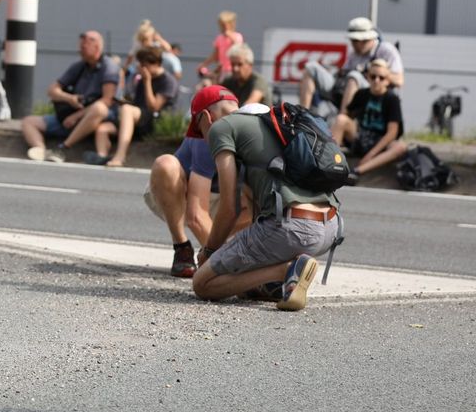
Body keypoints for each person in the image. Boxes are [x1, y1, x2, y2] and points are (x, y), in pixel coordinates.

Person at [190, 88, 341, 312]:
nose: (204, 139)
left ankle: (286, 270)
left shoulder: (221, 128)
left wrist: (210, 252)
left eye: (199, 131)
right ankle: (279, 281)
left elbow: (229, 207)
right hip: (330, 226)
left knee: (203, 284)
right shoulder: (277, 125)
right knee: (242, 279)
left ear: (205, 117)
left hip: (292, 228)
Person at [145, 86, 255, 278]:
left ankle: (228, 248)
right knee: (166, 165)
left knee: (256, 197)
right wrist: (226, 262)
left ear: (206, 117)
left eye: (197, 124)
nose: (198, 131)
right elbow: (195, 216)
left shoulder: (218, 129)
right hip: (179, 197)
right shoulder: (212, 139)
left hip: (221, 200)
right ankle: (182, 247)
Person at [20, 30, 119, 163]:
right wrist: (69, 99)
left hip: (98, 117)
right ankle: (42, 150)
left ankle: (64, 147)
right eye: (81, 46)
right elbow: (52, 90)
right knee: (28, 122)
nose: (81, 50)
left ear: (97, 47)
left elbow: (107, 100)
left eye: (85, 46)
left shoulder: (109, 67)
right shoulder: (79, 66)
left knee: (99, 108)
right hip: (71, 115)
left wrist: (77, 116)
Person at [299, 17, 403, 115]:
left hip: (369, 95)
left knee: (354, 76)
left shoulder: (386, 50)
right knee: (311, 67)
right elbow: (344, 73)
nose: (355, 44)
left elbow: (399, 80)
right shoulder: (354, 54)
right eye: (353, 40)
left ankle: (342, 119)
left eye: (359, 41)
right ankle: (304, 116)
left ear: (369, 38)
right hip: (341, 90)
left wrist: (376, 72)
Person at [96, 46, 178, 167]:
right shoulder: (140, 80)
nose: (139, 67)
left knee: (127, 110)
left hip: (155, 120)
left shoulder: (168, 81)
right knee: (103, 128)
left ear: (155, 63)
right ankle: (101, 157)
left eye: (143, 64)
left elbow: (154, 107)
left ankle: (120, 156)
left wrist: (147, 82)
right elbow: (137, 104)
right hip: (139, 118)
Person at [330, 59, 407, 185]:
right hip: (361, 137)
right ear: (367, 78)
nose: (376, 80)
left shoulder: (392, 99)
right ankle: (331, 165)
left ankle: (356, 172)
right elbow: (347, 115)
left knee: (401, 147)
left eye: (381, 77)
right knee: (340, 119)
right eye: (373, 76)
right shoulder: (362, 94)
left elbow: (392, 133)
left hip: (380, 143)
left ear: (387, 80)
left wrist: (371, 155)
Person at [198, 10, 243, 84]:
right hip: (222, 71)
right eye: (221, 25)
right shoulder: (219, 38)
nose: (223, 27)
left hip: (233, 71)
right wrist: (203, 65)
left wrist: (229, 35)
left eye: (225, 24)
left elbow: (238, 48)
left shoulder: (237, 36)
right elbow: (214, 56)